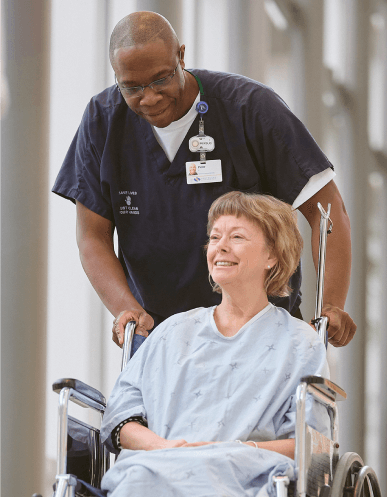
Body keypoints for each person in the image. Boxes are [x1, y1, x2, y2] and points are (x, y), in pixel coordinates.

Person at [52, 11, 356, 348]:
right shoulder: (103, 121)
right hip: (158, 336)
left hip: (259, 332)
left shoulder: (250, 109)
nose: (149, 97)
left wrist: (331, 305)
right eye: (132, 87)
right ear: (116, 77)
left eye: (161, 79)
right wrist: (126, 309)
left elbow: (328, 211)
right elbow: (91, 237)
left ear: (181, 56)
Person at [100, 192, 330, 496]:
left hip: (246, 475)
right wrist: (167, 449)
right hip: (155, 469)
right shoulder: (172, 331)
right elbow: (120, 417)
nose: (220, 246)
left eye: (237, 237)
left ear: (272, 255)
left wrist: (233, 450)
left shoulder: (301, 344)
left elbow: (315, 445)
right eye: (215, 237)